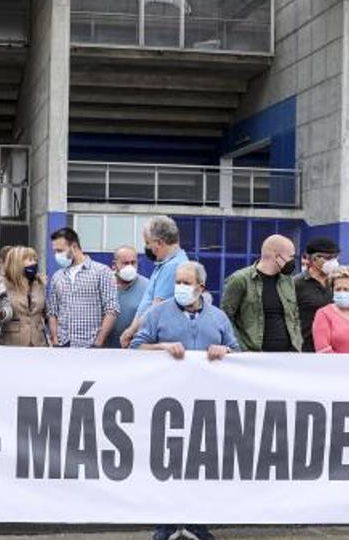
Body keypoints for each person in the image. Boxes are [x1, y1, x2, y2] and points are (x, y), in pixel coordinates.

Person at [131, 261, 235, 540]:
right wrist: (162, 347)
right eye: (178, 281)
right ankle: (165, 524)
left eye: (186, 282)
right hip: (166, 404)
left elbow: (237, 353)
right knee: (168, 464)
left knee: (200, 464)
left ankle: (196, 522)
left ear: (201, 287)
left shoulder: (218, 317)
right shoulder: (157, 314)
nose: (180, 287)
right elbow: (135, 347)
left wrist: (224, 349)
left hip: (205, 405)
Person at [220, 234, 301, 352]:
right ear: (276, 256)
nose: (293, 261)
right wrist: (241, 347)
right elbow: (225, 317)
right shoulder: (240, 280)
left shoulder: (288, 281)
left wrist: (297, 345)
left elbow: (294, 316)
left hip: (287, 357)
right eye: (291, 256)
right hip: (254, 358)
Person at [119, 216, 188, 347]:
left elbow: (156, 307)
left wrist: (131, 331)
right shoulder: (165, 264)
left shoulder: (172, 266)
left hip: (159, 339)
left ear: (158, 243)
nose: (147, 247)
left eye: (147, 242)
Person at [47, 227, 118, 348]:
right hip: (63, 344)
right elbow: (52, 311)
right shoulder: (57, 276)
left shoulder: (102, 271)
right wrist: (55, 340)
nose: (57, 255)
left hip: (90, 345)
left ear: (74, 246)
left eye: (60, 251)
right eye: (55, 252)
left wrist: (98, 342)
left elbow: (112, 310)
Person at [293, 237, 339, 352]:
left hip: (335, 349)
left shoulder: (338, 282)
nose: (333, 262)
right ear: (313, 259)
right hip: (307, 349)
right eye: (328, 258)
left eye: (335, 257)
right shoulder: (296, 284)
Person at [0, 246, 47, 347]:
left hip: (39, 343)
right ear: (17, 263)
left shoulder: (39, 283)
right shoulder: (2, 285)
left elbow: (45, 312)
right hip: (13, 343)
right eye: (30, 260)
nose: (34, 263)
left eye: (35, 260)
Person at [107, 245, 149, 349]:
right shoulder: (104, 284)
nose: (130, 267)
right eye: (125, 263)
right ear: (114, 265)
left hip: (133, 350)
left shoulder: (148, 287)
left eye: (133, 263)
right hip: (105, 348)